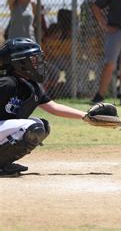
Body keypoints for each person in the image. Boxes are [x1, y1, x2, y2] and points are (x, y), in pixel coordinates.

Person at [0, 38, 89, 177]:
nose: (40, 63)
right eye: (33, 59)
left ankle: (3, 164)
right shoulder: (7, 83)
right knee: (33, 128)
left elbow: (54, 107)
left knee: (42, 126)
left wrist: (87, 115)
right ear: (20, 63)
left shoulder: (32, 87)